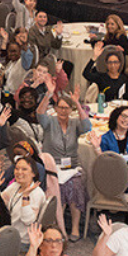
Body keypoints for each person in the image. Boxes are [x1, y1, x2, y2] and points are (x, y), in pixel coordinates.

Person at [38, 92, 91, 240]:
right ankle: (58, 227)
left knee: (76, 186)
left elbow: (87, 126)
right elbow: (40, 114)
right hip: (53, 166)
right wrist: (48, 94)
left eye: (67, 108)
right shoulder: (49, 122)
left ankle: (74, 227)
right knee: (58, 188)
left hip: (72, 167)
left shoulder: (74, 123)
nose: (63, 111)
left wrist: (77, 103)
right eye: (60, 108)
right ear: (55, 108)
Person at [0, 156, 46, 247]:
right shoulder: (15, 186)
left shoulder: (37, 194)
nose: (19, 172)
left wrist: (25, 197)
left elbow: (28, 220)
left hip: (21, 241)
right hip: (9, 233)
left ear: (33, 173)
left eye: (24, 169)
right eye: (17, 169)